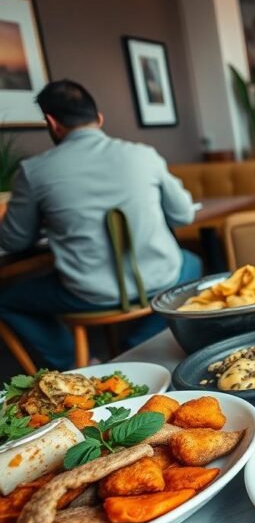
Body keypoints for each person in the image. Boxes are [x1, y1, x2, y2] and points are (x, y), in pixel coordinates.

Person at [0, 80, 202, 369]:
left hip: (89, 294)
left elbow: (14, 241)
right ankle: (136, 346)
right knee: (190, 266)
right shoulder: (144, 155)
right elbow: (183, 215)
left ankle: (78, 363)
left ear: (51, 122)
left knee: (6, 299)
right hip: (159, 278)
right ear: (99, 118)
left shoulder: (34, 172)